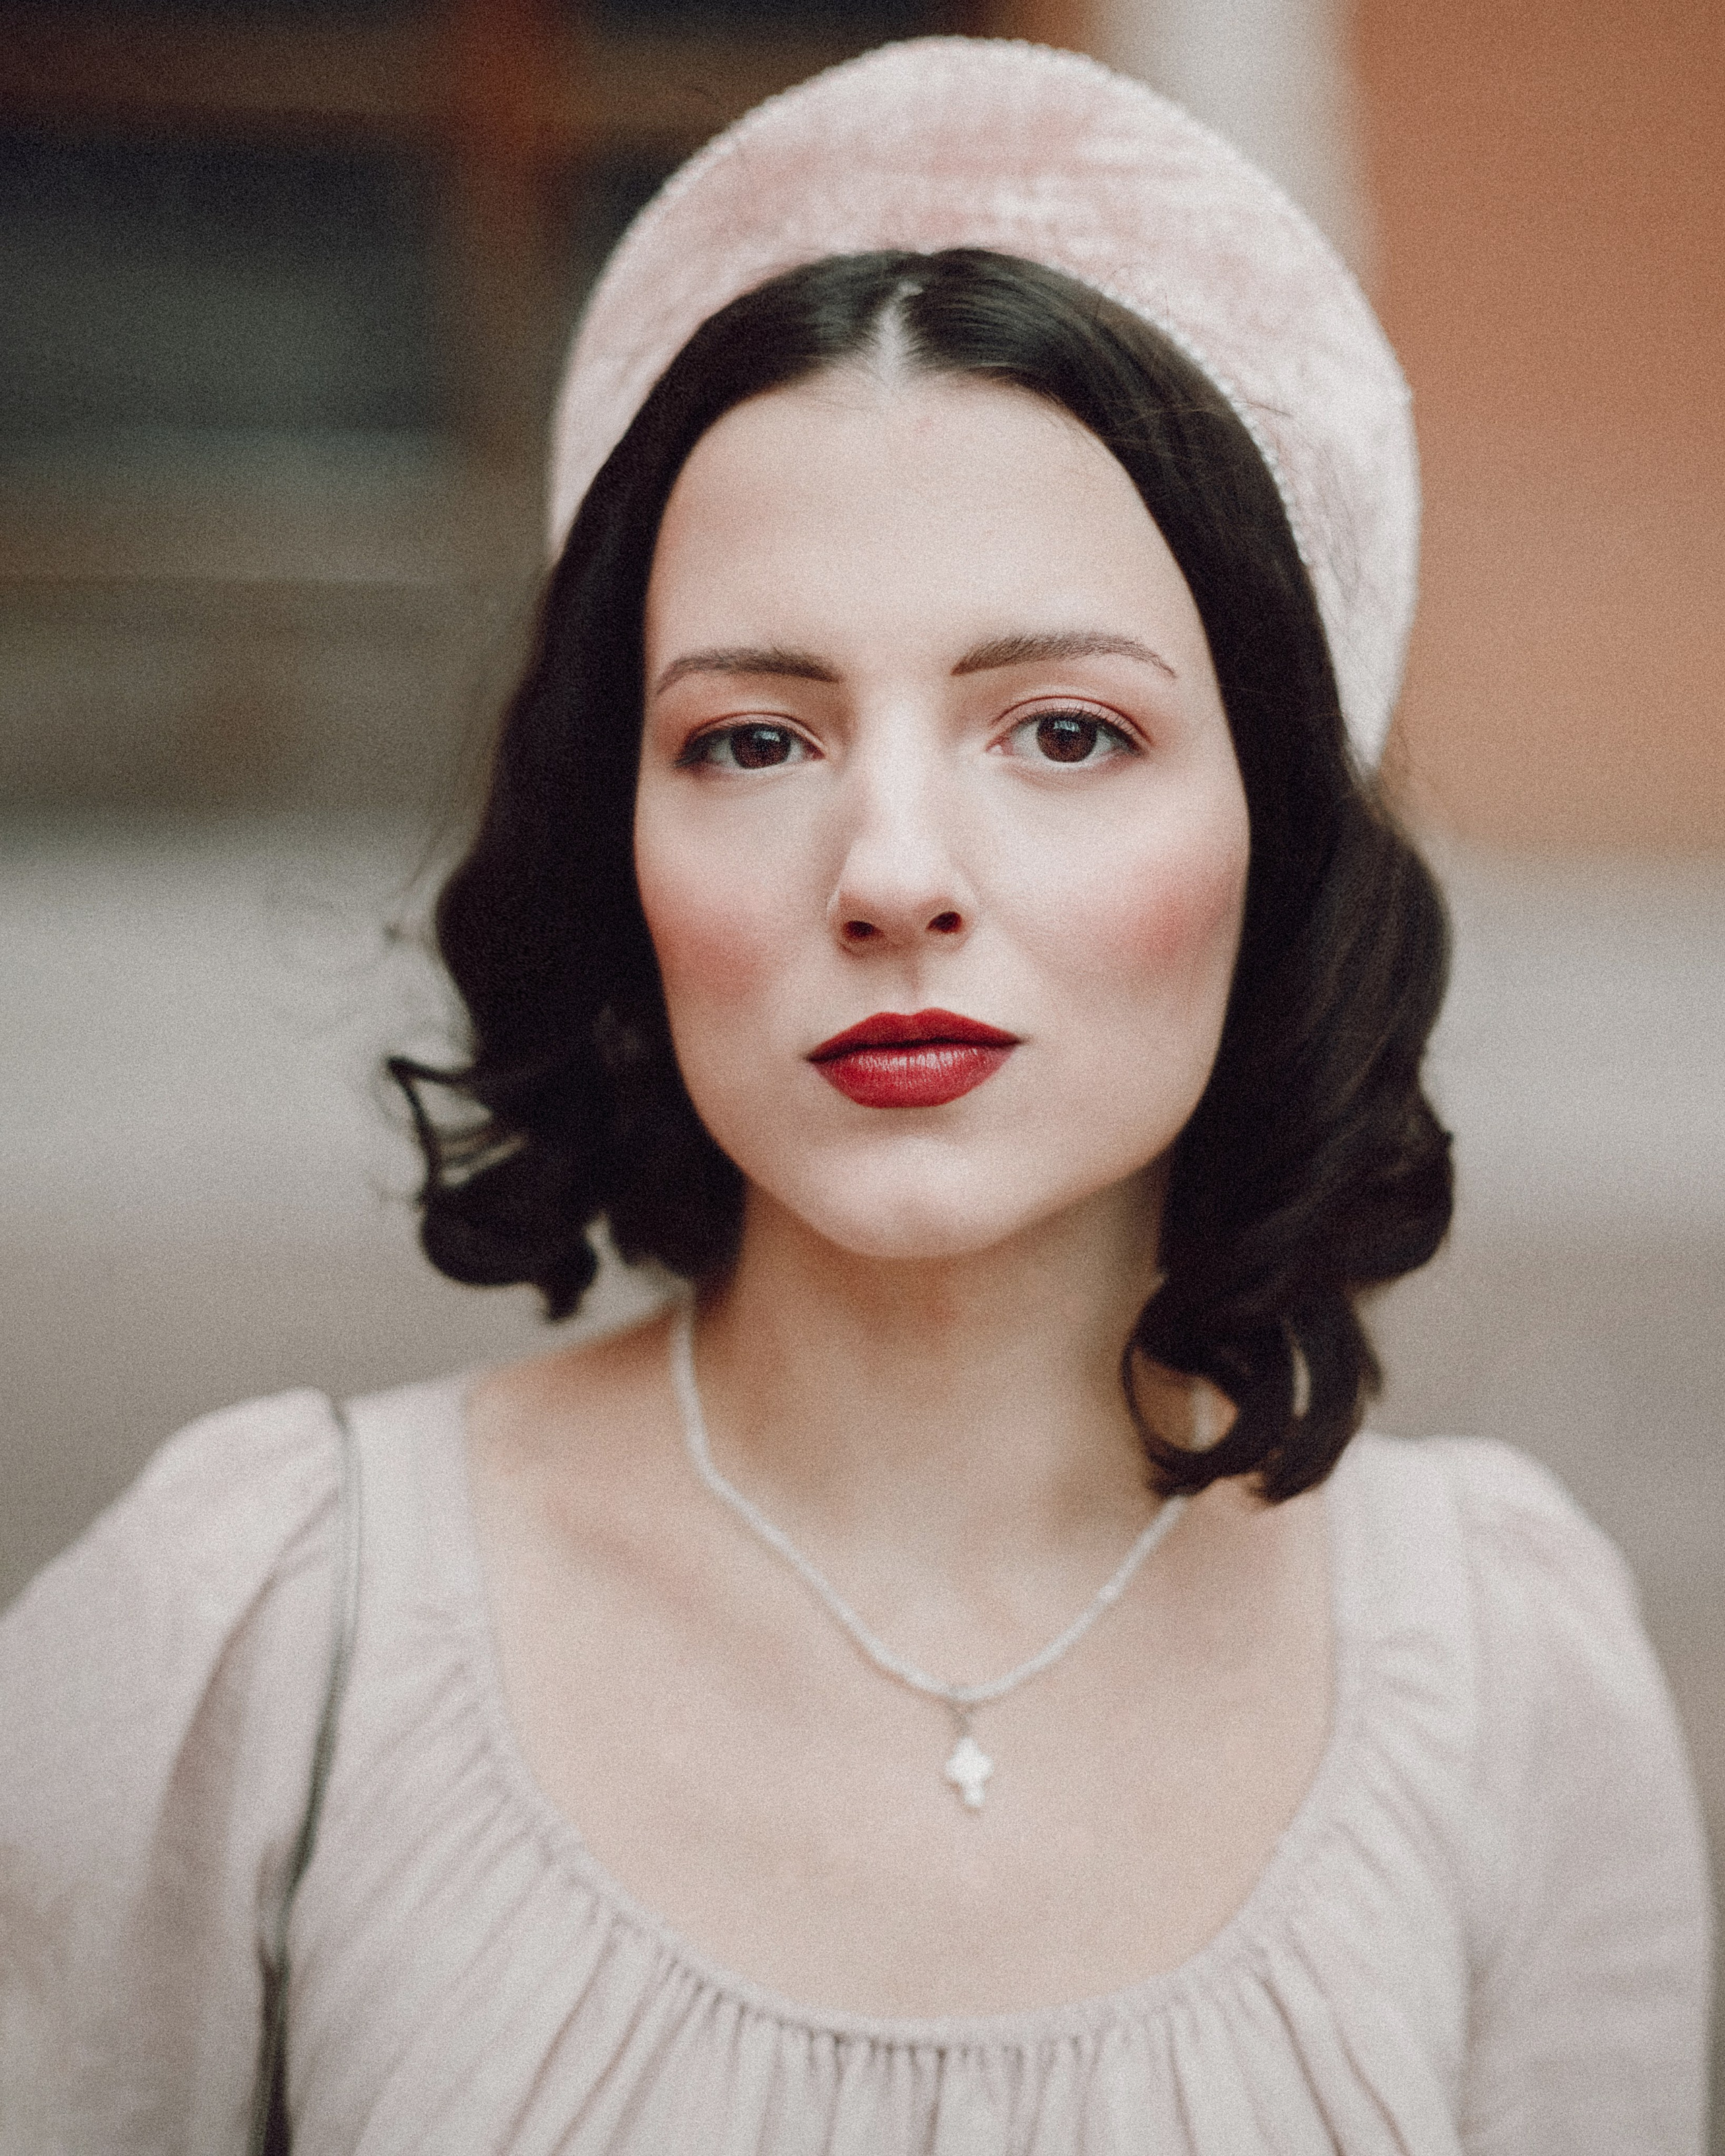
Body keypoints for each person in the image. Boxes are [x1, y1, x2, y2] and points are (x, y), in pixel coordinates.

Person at [0, 37, 1711, 2156]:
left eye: (1064, 732)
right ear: (613, 838)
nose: (893, 873)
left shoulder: (1513, 1679)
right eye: (752, 740)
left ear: (1275, 825)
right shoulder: (251, 1634)